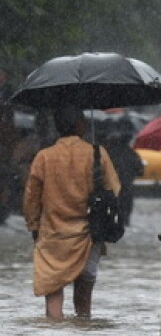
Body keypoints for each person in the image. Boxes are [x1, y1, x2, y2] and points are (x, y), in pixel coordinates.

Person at [22, 107, 121, 319]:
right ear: (81, 125)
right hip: (89, 233)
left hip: (52, 235)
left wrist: (33, 227)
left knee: (53, 295)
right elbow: (114, 189)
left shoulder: (44, 157)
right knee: (84, 300)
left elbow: (31, 199)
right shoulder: (97, 153)